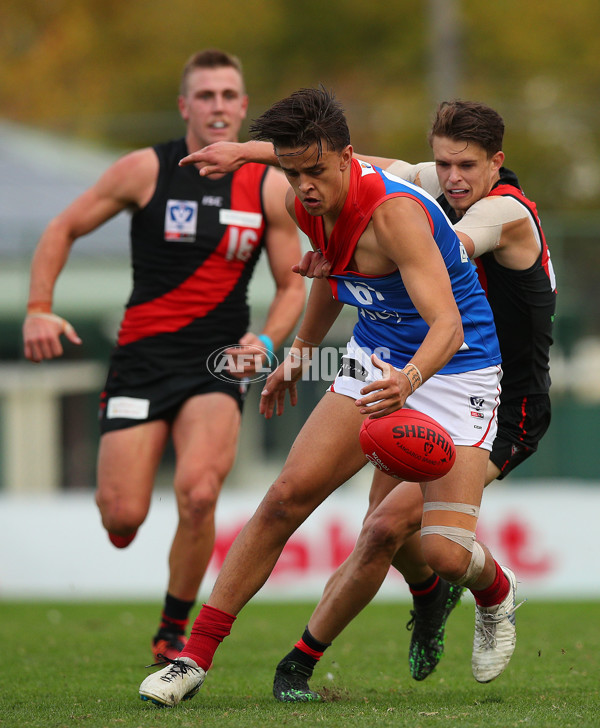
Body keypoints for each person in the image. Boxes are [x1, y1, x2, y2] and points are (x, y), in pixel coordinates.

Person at [158, 100, 554, 697]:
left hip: (471, 379)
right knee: (301, 503)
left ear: (496, 162)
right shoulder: (330, 190)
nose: (452, 178)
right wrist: (300, 348)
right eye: (441, 164)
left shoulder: (484, 211)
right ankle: (200, 658)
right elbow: (340, 182)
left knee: (440, 550)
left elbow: (441, 262)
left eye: (466, 165)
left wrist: (373, 249)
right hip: (382, 361)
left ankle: (492, 591)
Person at [22, 49, 305, 663]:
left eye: (230, 95)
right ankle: (129, 531)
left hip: (215, 365)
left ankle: (172, 631)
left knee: (199, 492)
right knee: (121, 519)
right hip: (140, 361)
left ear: (244, 107)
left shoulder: (269, 184)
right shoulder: (145, 170)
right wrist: (39, 306)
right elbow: (61, 228)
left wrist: (268, 340)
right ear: (185, 106)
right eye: (206, 95)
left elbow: (292, 285)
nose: (219, 107)